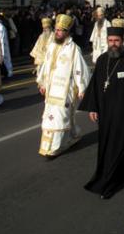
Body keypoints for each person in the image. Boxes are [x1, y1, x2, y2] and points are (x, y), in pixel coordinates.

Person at [79, 26, 124, 199]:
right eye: (110, 41)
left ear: (123, 41)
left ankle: (109, 183)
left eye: (116, 41)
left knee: (117, 144)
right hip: (105, 111)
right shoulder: (102, 60)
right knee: (107, 143)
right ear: (107, 41)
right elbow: (95, 86)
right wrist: (93, 107)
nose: (113, 44)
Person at [37, 14, 91, 158]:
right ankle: (73, 135)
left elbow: (80, 69)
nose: (57, 32)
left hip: (66, 89)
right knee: (51, 117)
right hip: (51, 89)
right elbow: (45, 65)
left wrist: (82, 87)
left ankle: (55, 147)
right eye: (56, 29)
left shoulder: (73, 49)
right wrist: (42, 82)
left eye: (61, 30)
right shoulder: (52, 46)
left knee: (60, 117)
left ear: (67, 32)